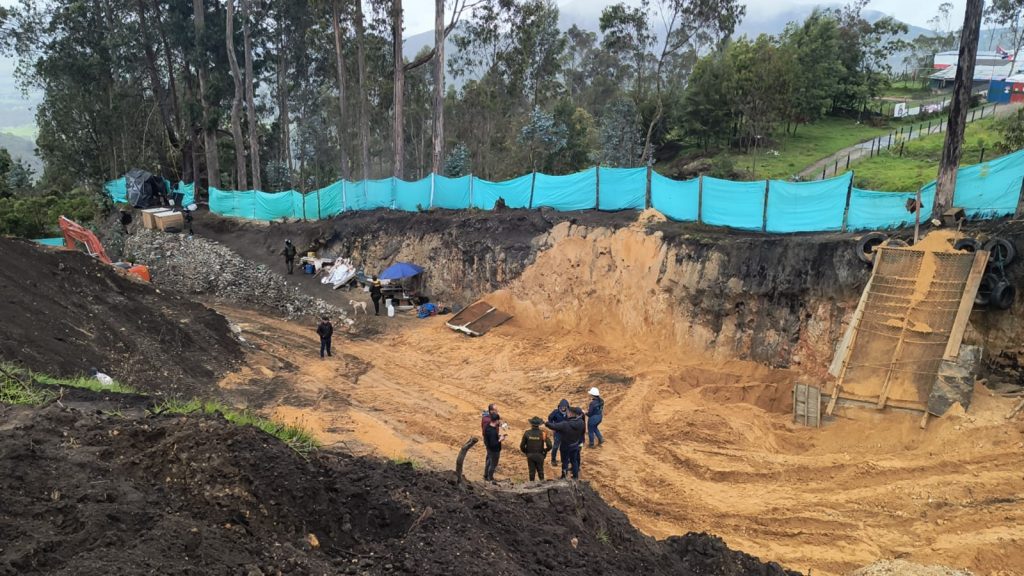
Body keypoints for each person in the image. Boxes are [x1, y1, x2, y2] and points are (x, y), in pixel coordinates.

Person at [545, 406, 585, 479]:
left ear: (570, 414)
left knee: (565, 462)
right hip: (575, 445)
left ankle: (564, 476)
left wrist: (546, 423)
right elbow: (582, 433)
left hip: (566, 446)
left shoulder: (565, 424)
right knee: (574, 461)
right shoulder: (581, 422)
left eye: (568, 412)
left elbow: (553, 426)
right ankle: (575, 476)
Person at [520, 416, 552, 481]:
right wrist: (545, 451)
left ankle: (531, 485)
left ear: (531, 424)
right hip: (540, 455)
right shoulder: (543, 433)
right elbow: (550, 445)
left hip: (530, 455)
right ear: (539, 425)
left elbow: (522, 446)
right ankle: (542, 485)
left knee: (531, 472)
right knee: (540, 471)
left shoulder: (527, 433)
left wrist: (526, 452)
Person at [483, 413, 505, 481]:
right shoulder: (492, 431)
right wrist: (500, 439)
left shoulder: (487, 426)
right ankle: (490, 478)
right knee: (493, 465)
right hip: (494, 451)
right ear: (496, 420)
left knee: (489, 462)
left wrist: (497, 437)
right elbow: (493, 444)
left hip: (489, 449)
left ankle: (486, 475)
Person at [547, 399, 569, 466]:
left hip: (566, 432)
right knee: (556, 446)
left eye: (564, 406)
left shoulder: (569, 412)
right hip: (557, 432)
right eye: (562, 406)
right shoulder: (555, 412)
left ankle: (565, 460)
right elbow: (549, 418)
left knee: (565, 447)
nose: (563, 408)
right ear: (559, 406)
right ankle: (553, 460)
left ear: (567, 406)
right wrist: (552, 427)